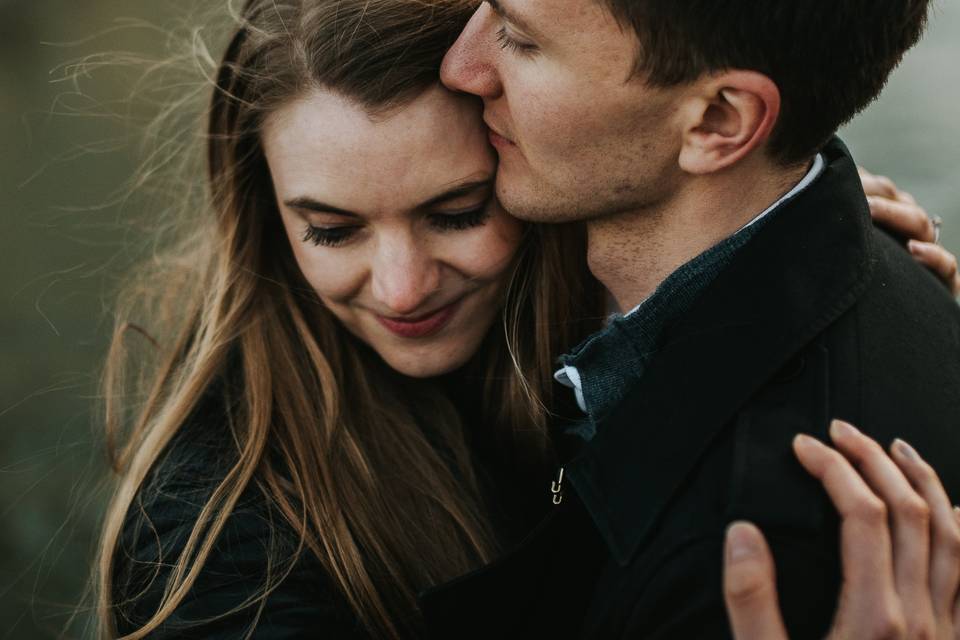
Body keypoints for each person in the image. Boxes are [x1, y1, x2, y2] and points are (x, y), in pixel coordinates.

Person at [97, 1, 958, 638]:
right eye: (330, 228)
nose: (400, 291)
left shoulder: (602, 321)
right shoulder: (220, 541)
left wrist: (812, 225)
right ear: (268, 221)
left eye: (461, 209)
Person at [435, 0, 960, 637]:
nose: (459, 67)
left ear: (718, 123)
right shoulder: (873, 257)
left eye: (519, 40)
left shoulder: (743, 562)